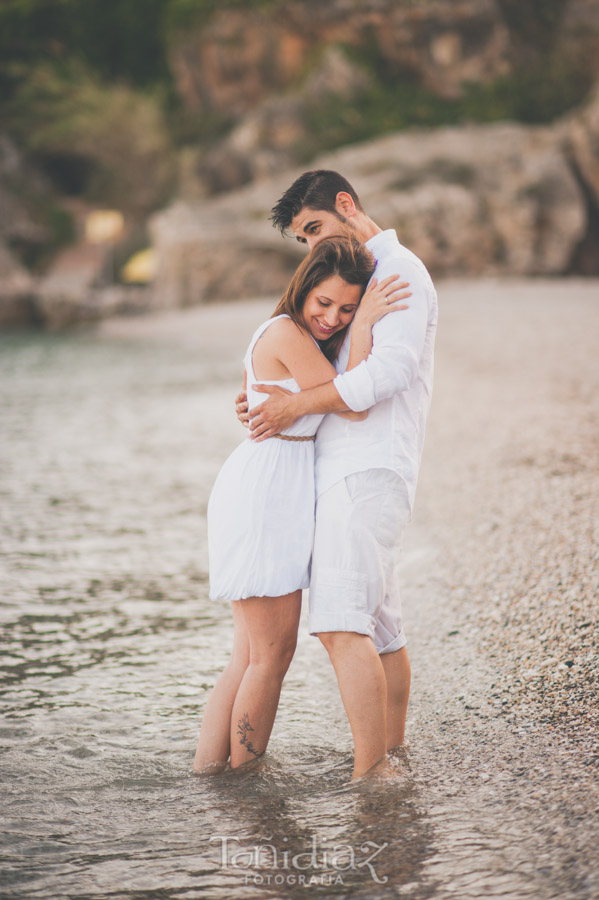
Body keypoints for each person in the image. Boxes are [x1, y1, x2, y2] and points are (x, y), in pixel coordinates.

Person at [238, 170, 438, 779]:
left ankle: (369, 773)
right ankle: (392, 755)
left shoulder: (396, 273)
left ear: (347, 205)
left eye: (316, 227)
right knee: (380, 627)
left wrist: (293, 406)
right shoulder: (359, 276)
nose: (315, 246)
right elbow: (320, 366)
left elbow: (386, 375)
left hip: (366, 467)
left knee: (340, 626)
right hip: (357, 469)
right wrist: (264, 397)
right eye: (305, 240)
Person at [193, 234, 411, 775]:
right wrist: (364, 328)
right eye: (324, 303)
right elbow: (350, 403)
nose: (333, 317)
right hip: (265, 493)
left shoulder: (293, 335)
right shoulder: (288, 331)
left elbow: (306, 393)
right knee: (271, 657)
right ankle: (245, 780)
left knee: (249, 655)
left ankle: (209, 772)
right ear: (303, 287)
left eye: (346, 308)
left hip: (270, 485)